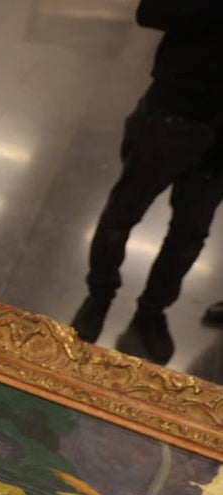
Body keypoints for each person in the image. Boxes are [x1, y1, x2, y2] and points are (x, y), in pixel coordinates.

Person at [70, 0, 223, 364]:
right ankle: (99, 295)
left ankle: (152, 311)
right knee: (122, 215)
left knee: (190, 233)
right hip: (171, 114)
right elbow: (151, 10)